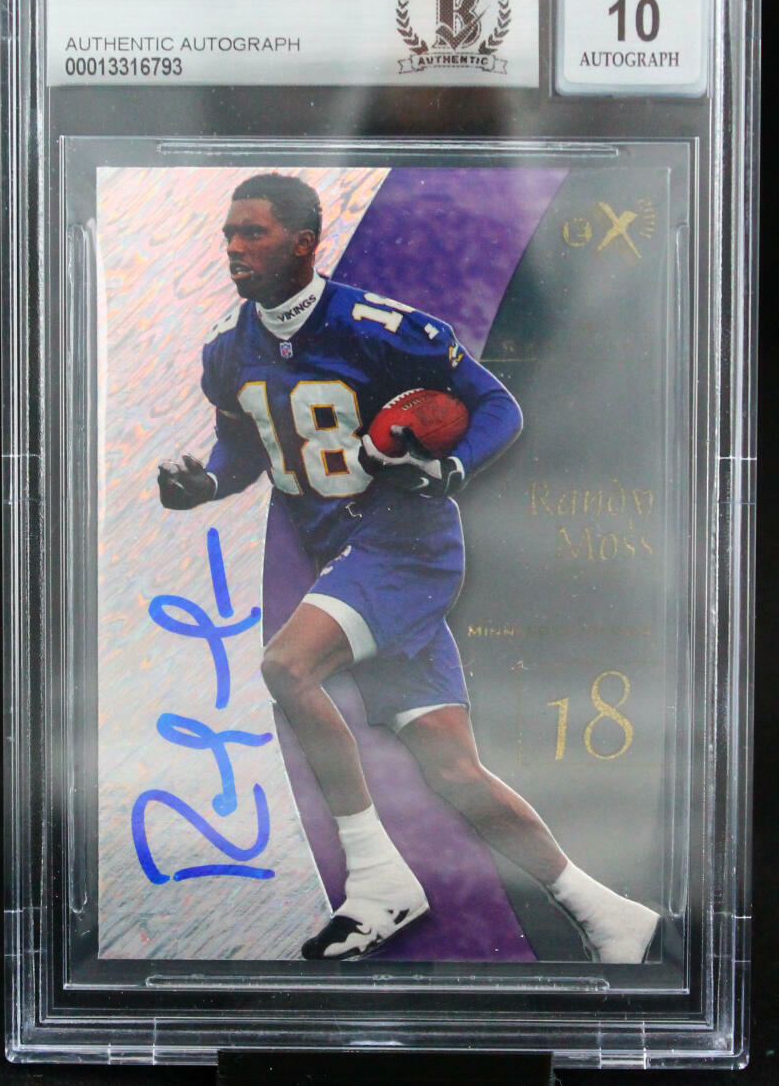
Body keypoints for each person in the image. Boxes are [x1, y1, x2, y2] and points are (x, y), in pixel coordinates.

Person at [157, 173, 660, 964]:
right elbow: (241, 448)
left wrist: (449, 468)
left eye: (253, 232)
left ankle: (377, 880)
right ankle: (610, 914)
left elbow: (498, 406)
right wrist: (207, 484)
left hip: (405, 546)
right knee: (454, 771)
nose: (234, 248)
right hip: (349, 557)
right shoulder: (227, 348)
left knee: (287, 667)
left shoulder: (379, 328)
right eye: (228, 234)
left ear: (303, 243)